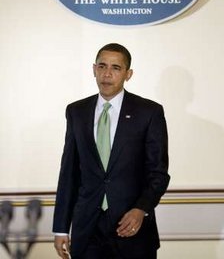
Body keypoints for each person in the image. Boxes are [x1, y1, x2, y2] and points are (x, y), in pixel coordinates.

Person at [53, 43, 170, 259]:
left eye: (116, 68)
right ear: (94, 69)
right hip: (87, 230)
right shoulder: (76, 111)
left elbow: (158, 173)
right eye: (102, 66)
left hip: (132, 227)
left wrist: (140, 210)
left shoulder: (149, 112)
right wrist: (61, 228)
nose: (107, 74)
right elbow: (68, 173)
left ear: (128, 74)